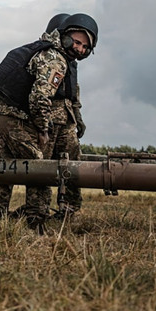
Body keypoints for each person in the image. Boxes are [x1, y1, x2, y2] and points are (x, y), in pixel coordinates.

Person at [0, 13, 97, 230]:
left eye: (85, 47)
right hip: (10, 115)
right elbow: (39, 97)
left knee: (0, 165)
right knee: (38, 166)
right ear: (64, 35)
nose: (79, 49)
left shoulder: (41, 49)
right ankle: (36, 217)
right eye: (77, 42)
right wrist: (43, 127)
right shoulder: (55, 59)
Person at [50, 14, 96, 218]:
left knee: (73, 164)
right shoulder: (47, 59)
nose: (78, 48)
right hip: (48, 121)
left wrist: (78, 118)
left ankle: (69, 208)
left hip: (66, 121)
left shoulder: (71, 63)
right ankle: (38, 209)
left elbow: (73, 93)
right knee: (41, 167)